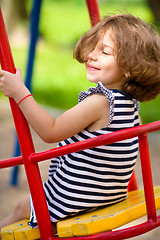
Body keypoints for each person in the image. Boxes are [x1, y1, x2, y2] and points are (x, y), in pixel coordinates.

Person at [0, 13, 160, 236]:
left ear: (130, 68)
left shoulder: (101, 102)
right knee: (24, 208)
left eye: (104, 52)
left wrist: (20, 93)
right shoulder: (132, 106)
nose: (92, 55)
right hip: (107, 196)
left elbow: (50, 131)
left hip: (75, 199)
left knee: (21, 208)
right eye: (93, 48)